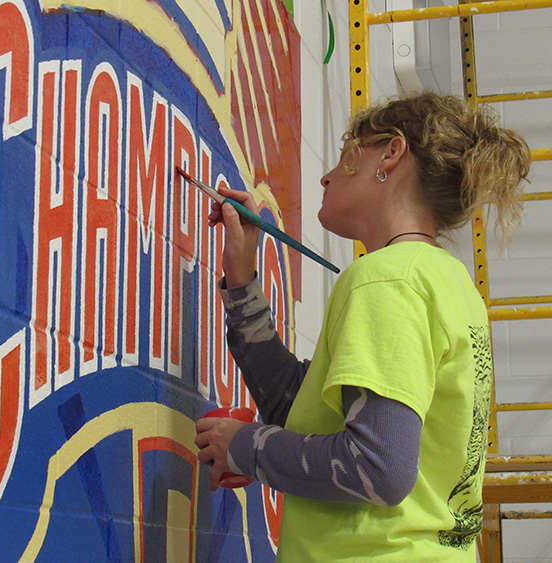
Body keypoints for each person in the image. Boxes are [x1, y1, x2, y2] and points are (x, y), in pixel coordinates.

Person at [194, 91, 530, 561]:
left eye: (347, 152)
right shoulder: (449, 283)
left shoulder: (387, 279)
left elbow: (378, 467)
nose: (326, 175)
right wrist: (242, 280)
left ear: (391, 153)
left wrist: (248, 446)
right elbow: (301, 407)